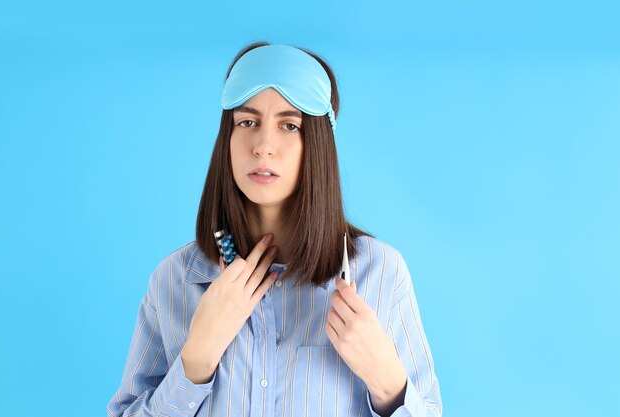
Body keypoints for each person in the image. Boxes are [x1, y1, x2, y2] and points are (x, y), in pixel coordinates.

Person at [107, 41, 442, 417]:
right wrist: (196, 360)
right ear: (227, 139)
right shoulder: (174, 281)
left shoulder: (380, 274)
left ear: (317, 143)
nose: (264, 146)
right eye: (247, 122)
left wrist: (386, 381)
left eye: (289, 125)